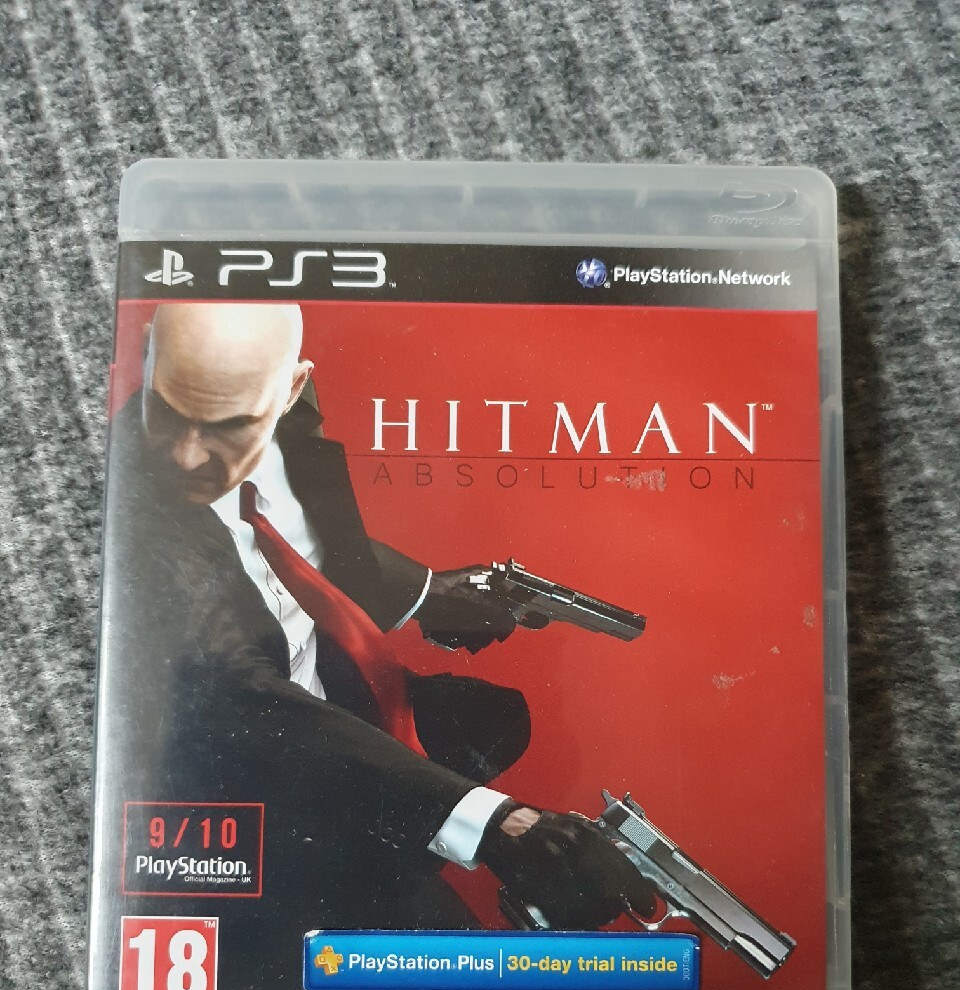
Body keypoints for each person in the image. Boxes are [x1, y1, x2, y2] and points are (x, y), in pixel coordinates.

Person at [106, 301, 652, 935]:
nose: (185, 455)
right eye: (169, 412)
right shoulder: (136, 523)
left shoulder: (285, 410)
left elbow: (306, 534)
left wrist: (428, 592)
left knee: (496, 718)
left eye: (230, 425)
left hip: (345, 709)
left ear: (292, 389)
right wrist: (494, 822)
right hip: (249, 788)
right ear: (147, 351)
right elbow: (243, 695)